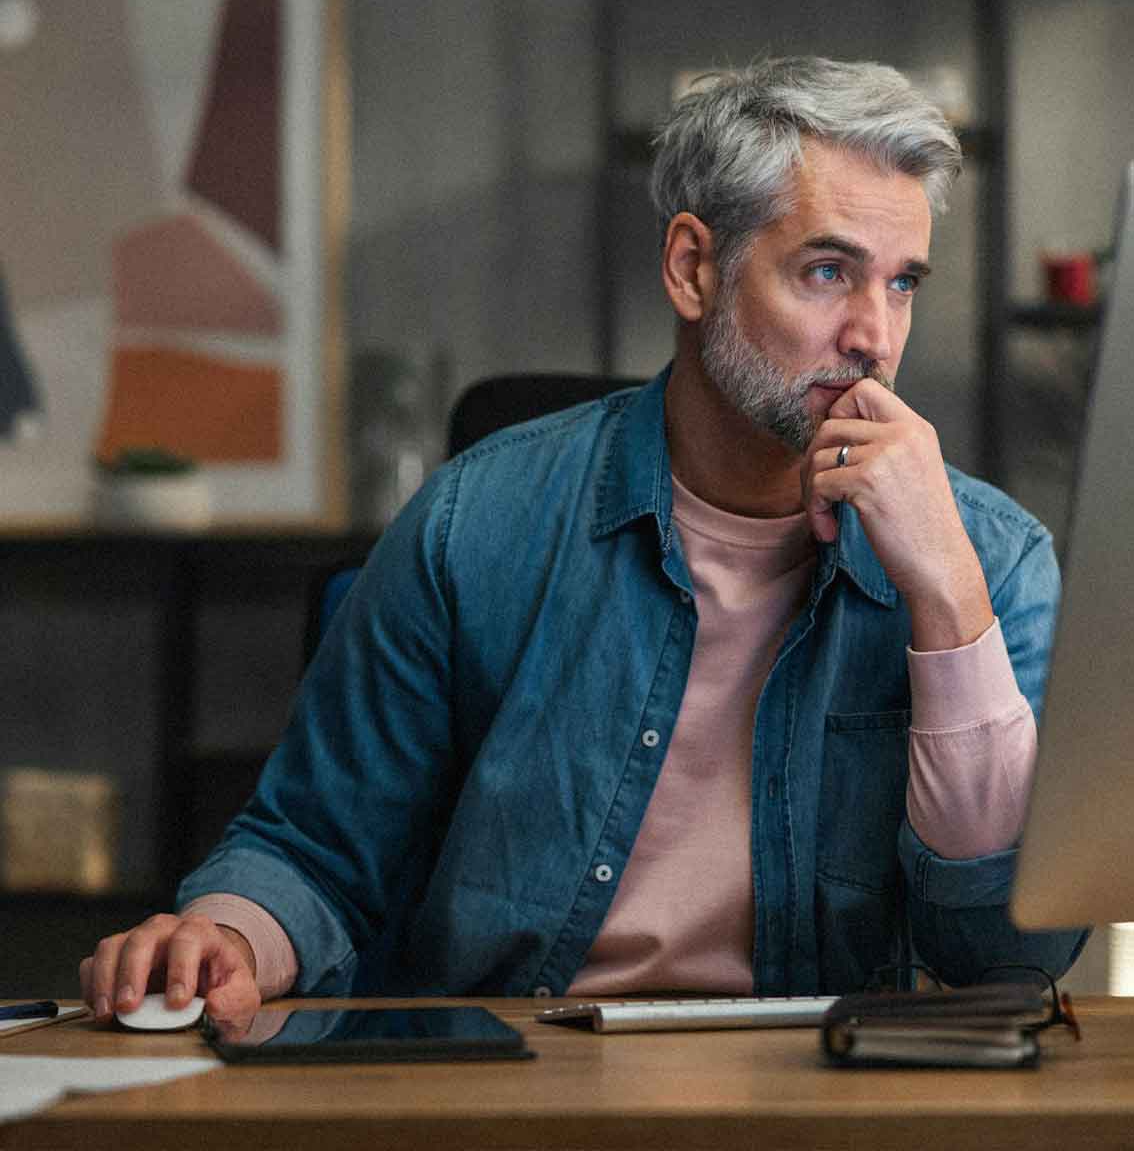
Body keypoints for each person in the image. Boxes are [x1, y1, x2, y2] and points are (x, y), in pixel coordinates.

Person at [81, 55, 1087, 1028]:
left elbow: (1010, 956)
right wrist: (222, 936)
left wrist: (947, 598)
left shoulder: (991, 559)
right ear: (693, 269)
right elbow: (314, 851)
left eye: (902, 284)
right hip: (518, 1081)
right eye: (828, 272)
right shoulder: (473, 523)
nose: (876, 335)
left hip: (818, 1090)